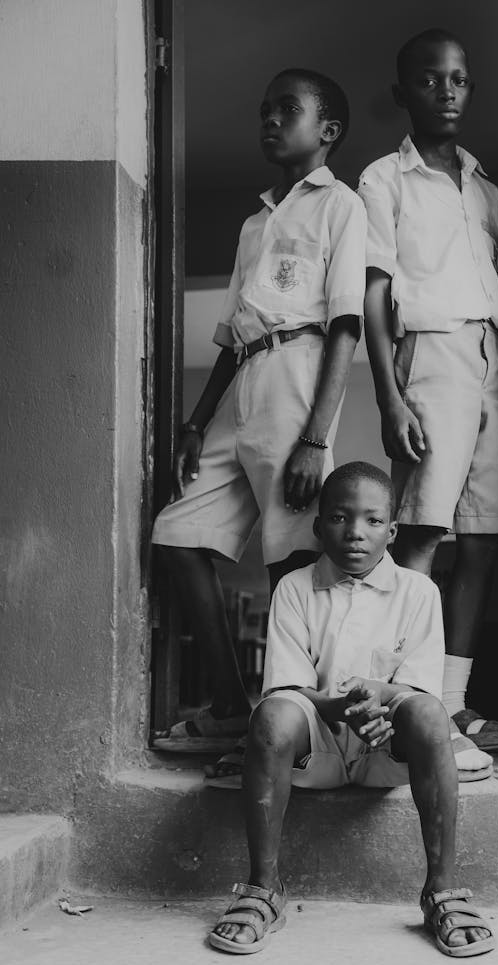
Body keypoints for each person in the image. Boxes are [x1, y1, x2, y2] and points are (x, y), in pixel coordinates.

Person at [151, 68, 366, 751]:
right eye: (265, 109)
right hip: (240, 382)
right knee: (177, 535)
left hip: (296, 383)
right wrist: (194, 422)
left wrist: (315, 437)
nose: (270, 119)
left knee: (289, 560)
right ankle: (229, 704)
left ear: (327, 130)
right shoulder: (254, 223)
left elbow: (345, 325)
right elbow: (227, 335)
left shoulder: (341, 206)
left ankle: (292, 728)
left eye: (288, 109)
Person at [208, 462, 495, 959]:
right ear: (319, 527)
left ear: (392, 530)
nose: (356, 533)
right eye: (340, 518)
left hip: (389, 749)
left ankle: (442, 891)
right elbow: (289, 685)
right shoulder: (294, 588)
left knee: (429, 715)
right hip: (316, 744)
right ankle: (263, 889)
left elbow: (417, 688)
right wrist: (340, 707)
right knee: (271, 716)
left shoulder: (418, 592)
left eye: (372, 521)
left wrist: (379, 697)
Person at [358, 29, 498, 753]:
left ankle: (451, 708)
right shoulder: (382, 179)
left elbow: (493, 280)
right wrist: (389, 400)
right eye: (430, 80)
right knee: (425, 534)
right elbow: (373, 296)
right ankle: (408, 710)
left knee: (485, 539)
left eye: (458, 79)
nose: (448, 91)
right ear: (403, 94)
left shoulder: (485, 186)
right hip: (429, 354)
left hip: (493, 357)